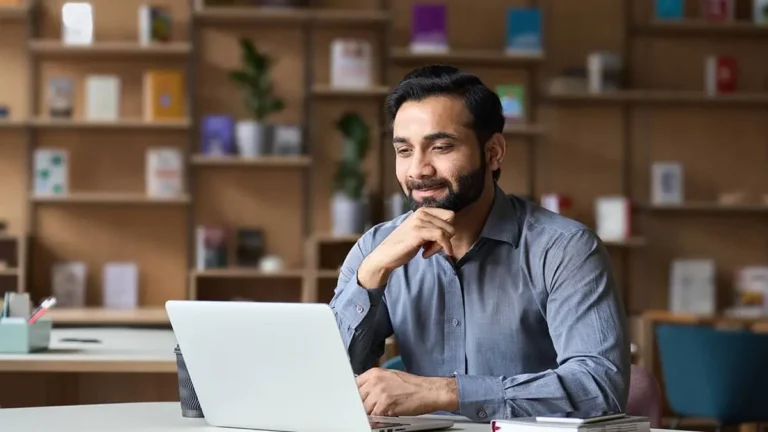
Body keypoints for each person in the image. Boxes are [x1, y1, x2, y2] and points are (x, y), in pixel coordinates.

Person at [329, 65, 630, 422]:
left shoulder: (566, 249)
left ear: (493, 152)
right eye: (405, 150)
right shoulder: (376, 248)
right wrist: (371, 275)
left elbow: (599, 387)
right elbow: (325, 380)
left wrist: (444, 392)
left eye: (440, 147)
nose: (418, 170)